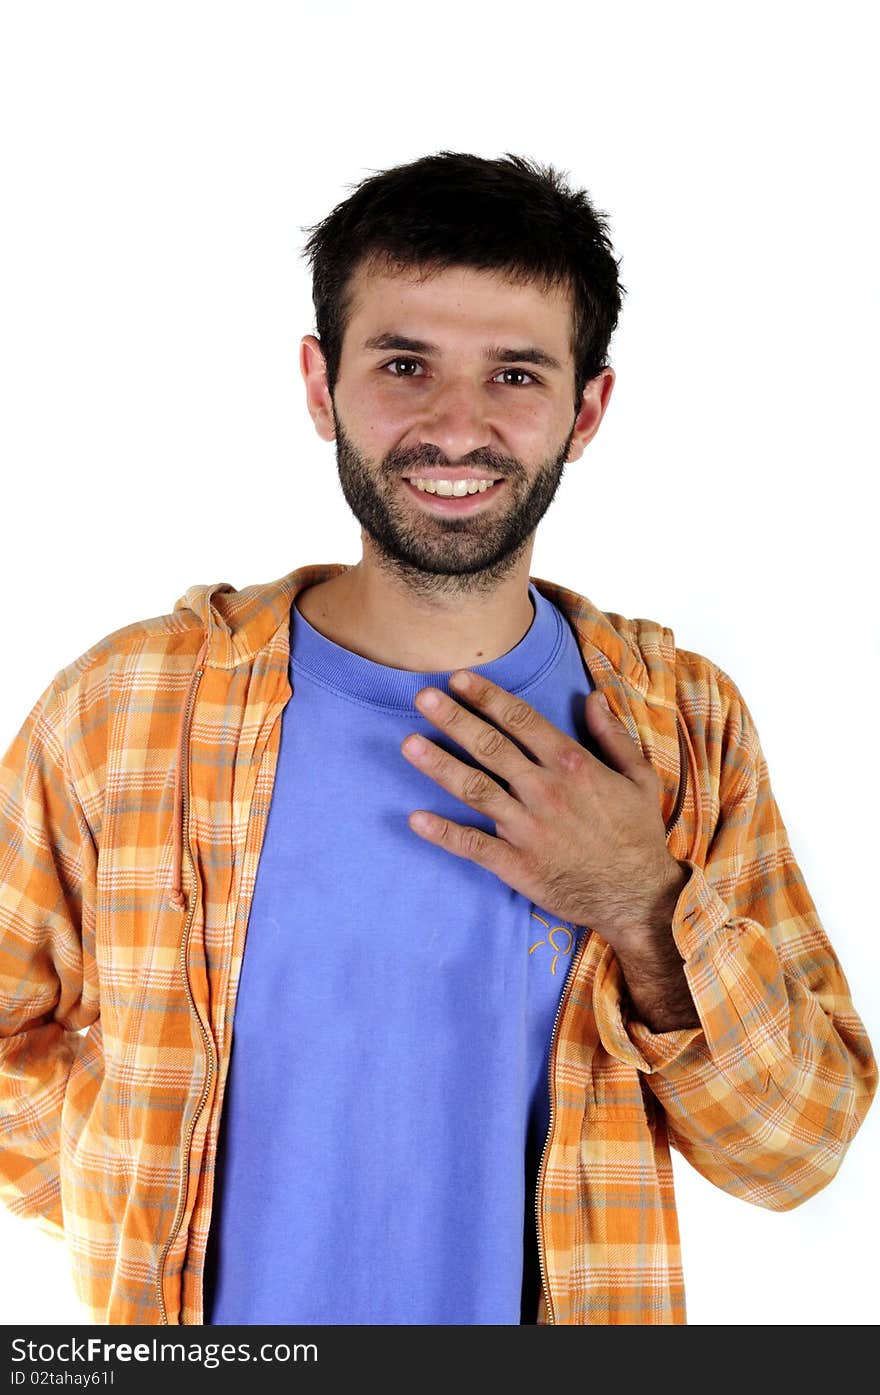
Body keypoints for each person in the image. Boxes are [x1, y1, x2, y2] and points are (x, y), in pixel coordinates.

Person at [0, 151, 875, 1329]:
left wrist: (640, 901)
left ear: (587, 410)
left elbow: (796, 1150)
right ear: (320, 387)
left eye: (515, 373)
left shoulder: (681, 728)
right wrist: (130, 1187)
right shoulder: (129, 708)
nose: (456, 427)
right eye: (404, 364)